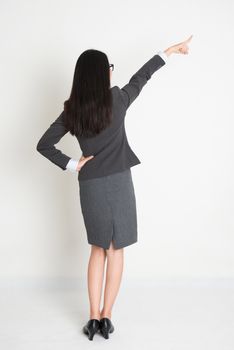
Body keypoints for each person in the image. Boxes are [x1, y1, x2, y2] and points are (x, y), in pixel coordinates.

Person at [36, 35, 193, 341]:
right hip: (120, 182)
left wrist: (72, 164)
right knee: (115, 250)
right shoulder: (118, 100)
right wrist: (168, 52)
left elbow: (44, 144)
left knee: (97, 249)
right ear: (101, 74)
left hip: (90, 184)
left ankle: (92, 318)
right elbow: (141, 77)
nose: (112, 70)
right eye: (108, 66)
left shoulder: (73, 110)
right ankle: (107, 316)